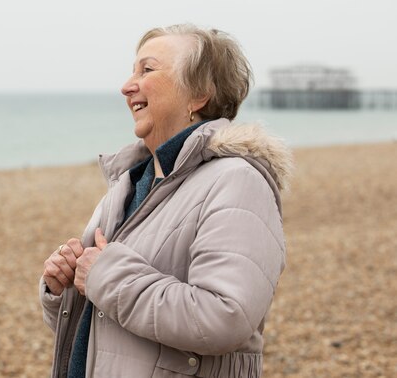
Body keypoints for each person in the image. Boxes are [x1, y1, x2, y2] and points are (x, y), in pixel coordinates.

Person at [39, 23, 292, 378]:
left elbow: (224, 318)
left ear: (199, 94)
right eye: (132, 71)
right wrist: (63, 288)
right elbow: (107, 326)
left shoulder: (237, 181)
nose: (127, 86)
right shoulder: (129, 184)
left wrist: (104, 275)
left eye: (147, 69)